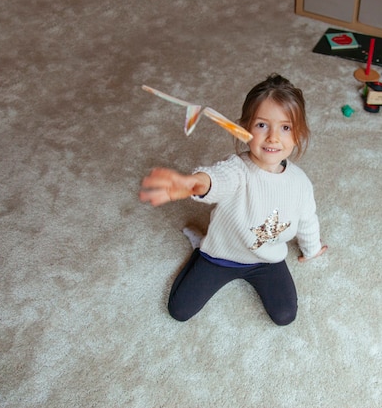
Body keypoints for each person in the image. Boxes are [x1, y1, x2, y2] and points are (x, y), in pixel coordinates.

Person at [139, 74, 328, 325]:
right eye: (262, 125)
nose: (273, 137)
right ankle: (199, 246)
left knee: (285, 316)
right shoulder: (237, 168)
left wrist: (312, 249)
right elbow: (217, 179)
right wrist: (194, 183)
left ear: (298, 134)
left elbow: (307, 220)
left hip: (266, 260)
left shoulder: (300, 183)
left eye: (285, 127)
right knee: (179, 310)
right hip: (220, 256)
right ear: (244, 129)